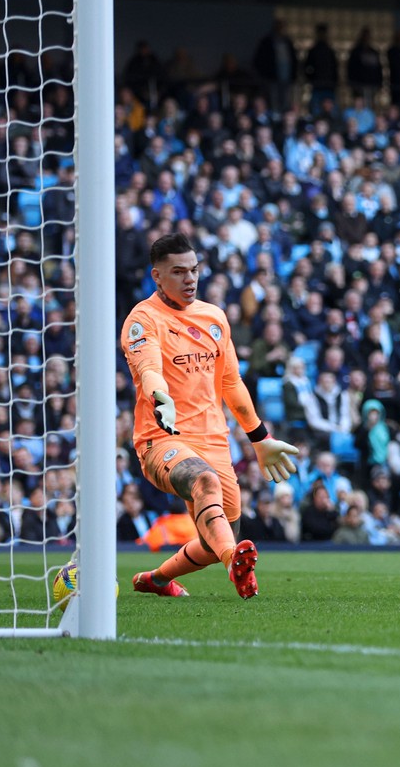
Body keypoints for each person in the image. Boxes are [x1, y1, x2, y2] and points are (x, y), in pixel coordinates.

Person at [122, 233, 299, 600]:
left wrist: (260, 439)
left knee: (214, 537)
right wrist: (160, 397)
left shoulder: (214, 318)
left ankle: (156, 579)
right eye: (178, 272)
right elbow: (149, 368)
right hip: (162, 439)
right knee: (203, 482)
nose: (190, 279)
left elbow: (231, 384)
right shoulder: (143, 319)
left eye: (194, 270)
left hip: (215, 441)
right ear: (157, 276)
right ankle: (235, 563)